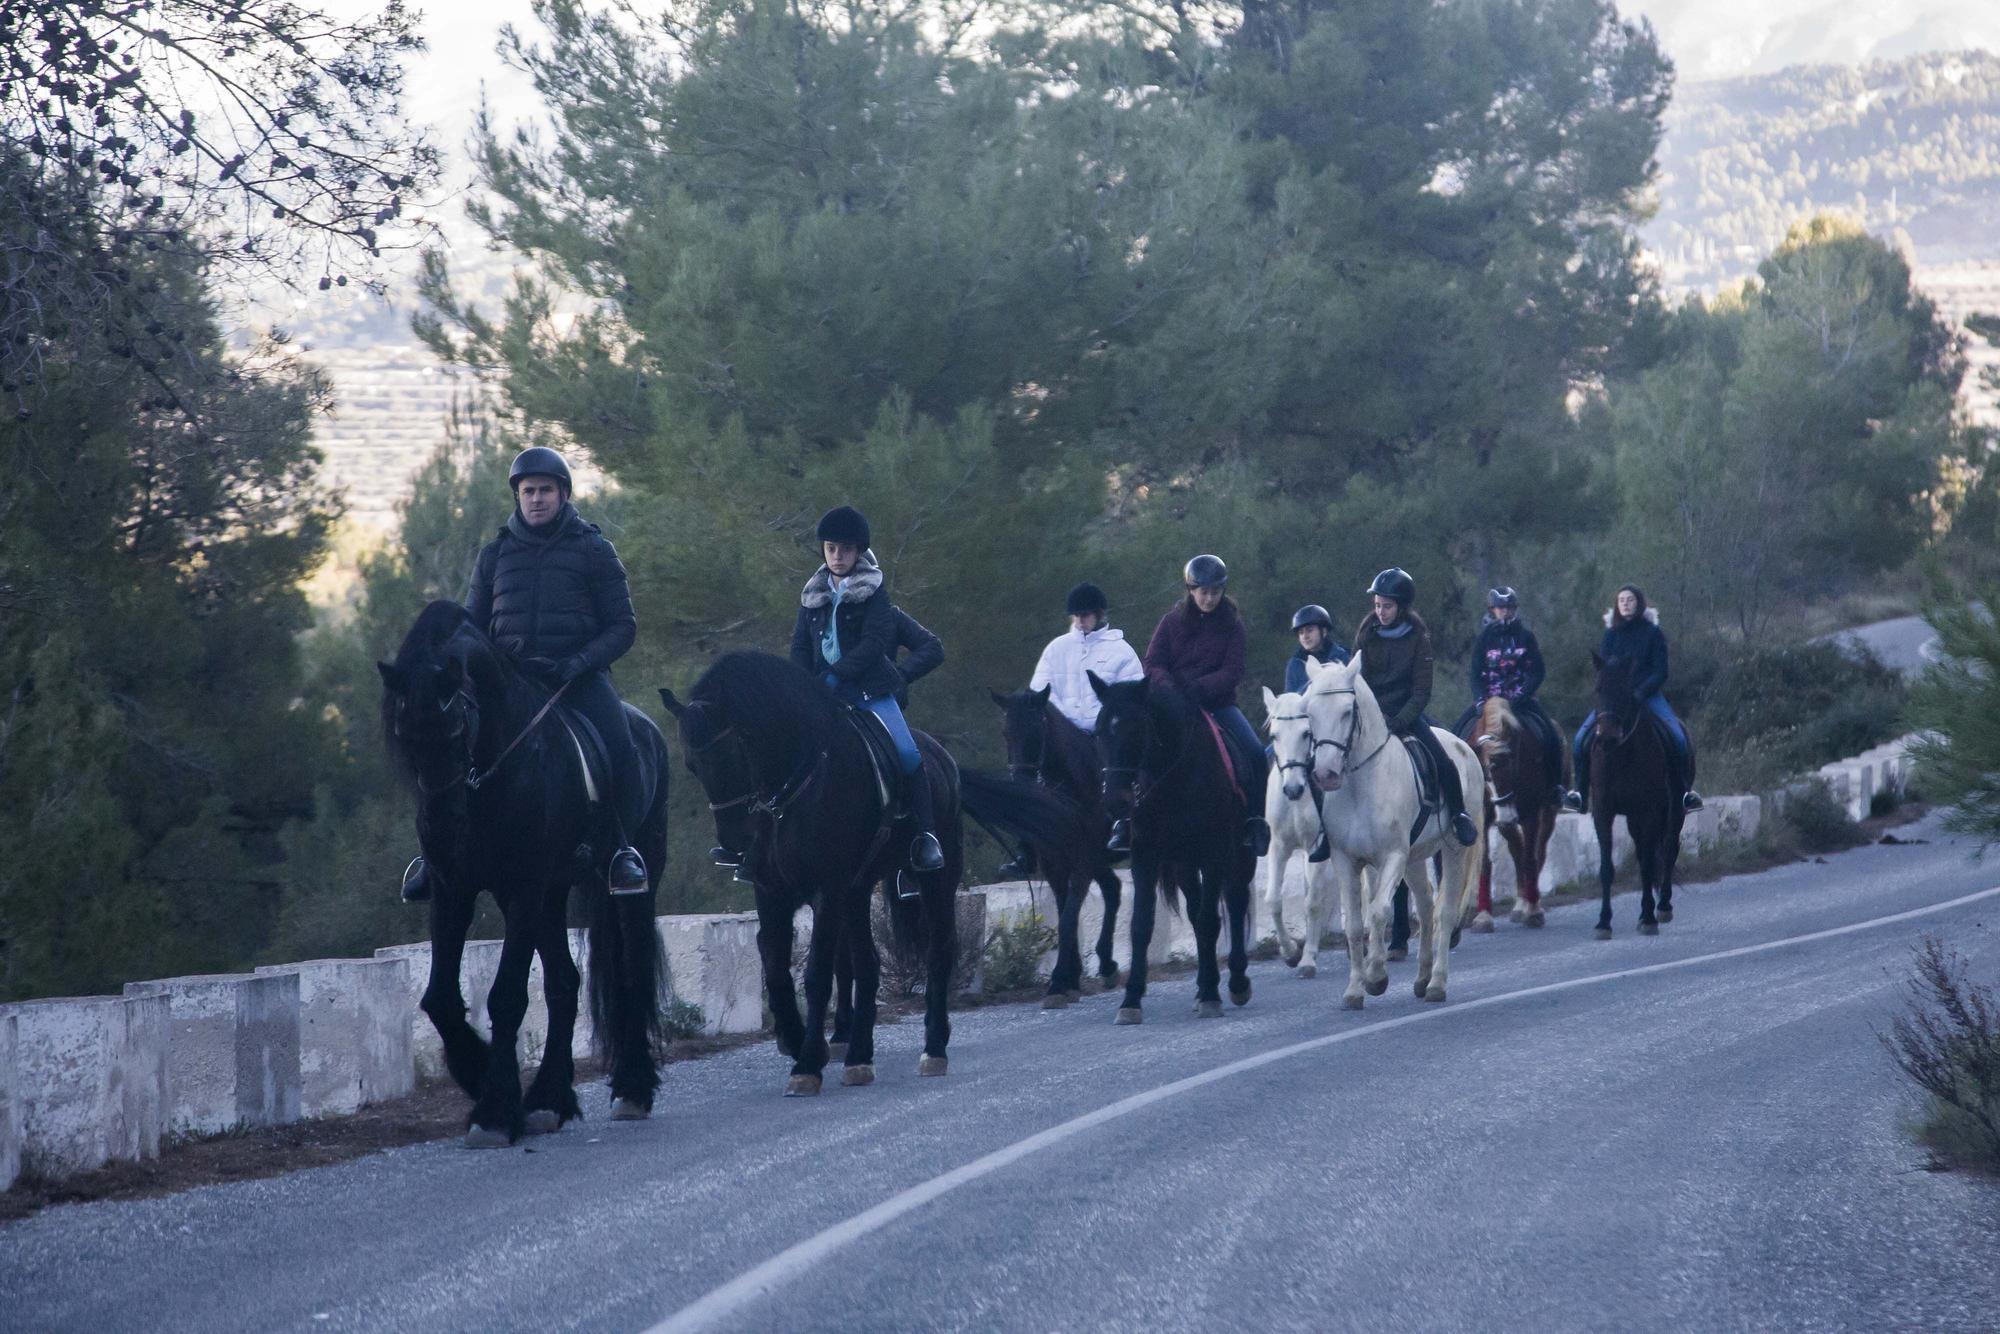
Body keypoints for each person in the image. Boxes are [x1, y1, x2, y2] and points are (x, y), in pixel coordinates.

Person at [400, 446, 645, 902]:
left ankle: (619, 851)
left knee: (622, 748)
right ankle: (431, 858)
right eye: (528, 491)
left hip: (577, 679)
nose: (536, 499)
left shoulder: (594, 549)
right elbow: (468, 625)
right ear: (517, 496)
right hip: (509, 687)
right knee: (439, 747)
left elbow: (623, 626)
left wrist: (578, 663)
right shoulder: (495, 554)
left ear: (564, 494)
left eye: (545, 490)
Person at [790, 505, 945, 873]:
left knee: (908, 754)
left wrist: (837, 674)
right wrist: (802, 685)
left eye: (845, 549)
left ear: (858, 551)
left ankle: (926, 836)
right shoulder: (811, 596)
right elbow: (799, 646)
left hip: (869, 693)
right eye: (831, 548)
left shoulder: (874, 592)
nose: (837, 556)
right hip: (823, 698)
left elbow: (875, 643)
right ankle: (760, 843)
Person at [1312, 567, 1478, 858]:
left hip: (1406, 714)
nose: (1381, 611)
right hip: (1369, 714)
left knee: (1442, 757)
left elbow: (1421, 691)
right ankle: (1325, 831)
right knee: (1327, 757)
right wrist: (1367, 714)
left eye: (1386, 606)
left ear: (1401, 607)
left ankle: (1458, 815)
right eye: (1377, 605)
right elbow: (1355, 678)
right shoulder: (1367, 631)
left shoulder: (1418, 637)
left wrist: (1400, 719)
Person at [1121, 553, 1271, 855]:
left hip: (1217, 704)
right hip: (1172, 705)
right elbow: (1152, 662)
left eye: (1215, 591)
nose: (1209, 598)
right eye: (1203, 591)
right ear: (1191, 590)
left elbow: (1233, 671)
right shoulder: (1171, 621)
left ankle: (1255, 821)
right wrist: (1169, 688)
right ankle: (1125, 821)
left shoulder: (1233, 625)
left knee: (1255, 753)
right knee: (1129, 745)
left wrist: (1199, 688)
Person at [1000, 582, 1143, 877]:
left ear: (1099, 614)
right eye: (1076, 616)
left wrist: (1096, 720)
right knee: (1026, 765)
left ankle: (1121, 824)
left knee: (1120, 766)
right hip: (1061, 730)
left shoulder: (1121, 651)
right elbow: (1040, 690)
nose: (1080, 621)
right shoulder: (1056, 649)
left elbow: (1129, 697)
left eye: (1086, 615)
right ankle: (1026, 847)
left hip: (1100, 731)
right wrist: (1064, 722)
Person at [1564, 584, 1704, 814]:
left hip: (1648, 696)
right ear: (1617, 605)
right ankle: (1580, 793)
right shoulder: (1610, 635)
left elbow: (1661, 671)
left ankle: (1684, 793)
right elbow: (1605, 670)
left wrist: (1641, 691)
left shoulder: (1653, 633)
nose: (1626, 604)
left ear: (1639, 603)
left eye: (1630, 600)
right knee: (1580, 740)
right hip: (1617, 701)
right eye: (1622, 600)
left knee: (1678, 739)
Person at [1452, 587, 1564, 801]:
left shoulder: (1526, 637)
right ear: (1492, 610)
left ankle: (1555, 787)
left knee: (1550, 735)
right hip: (1489, 702)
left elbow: (1537, 672)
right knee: (1457, 732)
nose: (1504, 612)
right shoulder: (1484, 638)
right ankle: (1456, 790)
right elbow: (1475, 673)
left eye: (1508, 608)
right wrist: (1480, 700)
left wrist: (1519, 696)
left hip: (1521, 701)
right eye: (1500, 608)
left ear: (1514, 609)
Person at [1284, 604, 1349, 694]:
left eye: (1309, 630)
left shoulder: (1341, 657)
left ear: (1324, 631)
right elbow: (1289, 699)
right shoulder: (1295, 664)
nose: (1305, 636)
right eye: (1301, 632)